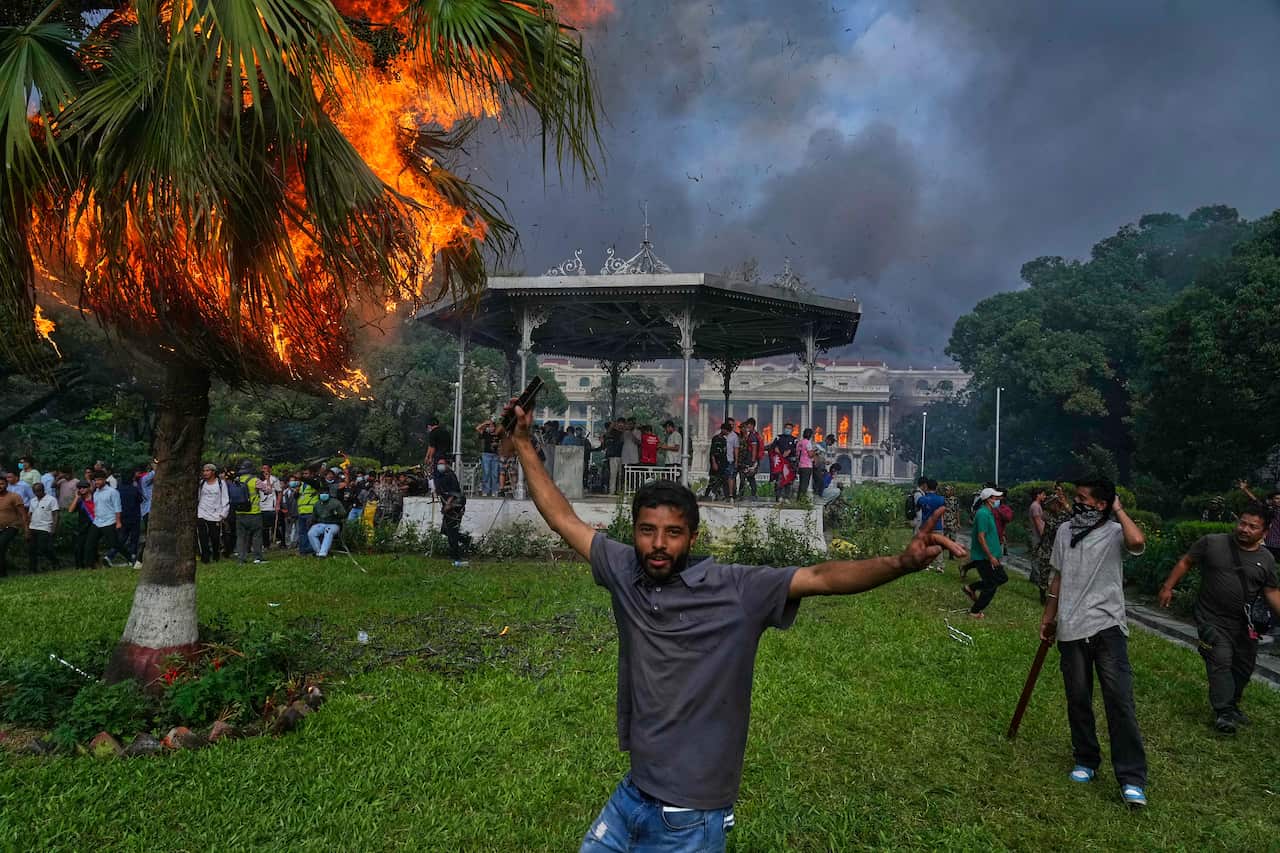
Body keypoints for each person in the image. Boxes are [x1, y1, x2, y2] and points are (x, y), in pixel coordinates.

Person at [498, 399, 961, 851]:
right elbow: (562, 518)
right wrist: (522, 444)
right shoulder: (624, 571)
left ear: (692, 537)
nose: (659, 544)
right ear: (633, 531)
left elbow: (821, 577)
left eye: (673, 533)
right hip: (633, 794)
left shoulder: (737, 589)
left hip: (692, 816)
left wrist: (901, 562)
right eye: (647, 531)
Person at [1039, 479, 1148, 808]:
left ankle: (1131, 778)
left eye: (1083, 498)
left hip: (1107, 625)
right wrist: (1048, 616)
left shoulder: (1115, 532)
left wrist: (1117, 508)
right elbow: (1057, 576)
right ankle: (1086, 759)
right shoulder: (1065, 531)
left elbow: (1138, 542)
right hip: (1071, 626)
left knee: (1119, 701)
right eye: (1076, 497)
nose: (1076, 503)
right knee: (1078, 697)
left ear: (1101, 504)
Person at [1158, 502, 1280, 733]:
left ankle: (1232, 705)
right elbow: (1186, 561)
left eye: (1252, 526)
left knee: (1244, 666)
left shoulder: (1266, 559)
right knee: (1220, 659)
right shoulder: (1212, 542)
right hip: (1211, 618)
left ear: (1264, 533)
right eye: (1242, 523)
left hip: (1245, 624)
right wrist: (1167, 587)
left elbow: (1271, 591)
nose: (1244, 529)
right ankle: (1223, 711)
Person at [962, 487, 1006, 618]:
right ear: (987, 500)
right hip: (984, 557)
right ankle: (975, 610)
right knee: (991, 585)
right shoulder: (982, 514)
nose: (997, 500)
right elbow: (981, 537)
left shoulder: (989, 513)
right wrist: (990, 556)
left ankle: (971, 588)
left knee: (1001, 578)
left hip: (990, 556)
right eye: (994, 497)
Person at [433, 456, 468, 566]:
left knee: (452, 531)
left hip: (454, 507)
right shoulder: (439, 476)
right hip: (446, 506)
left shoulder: (451, 475)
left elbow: (454, 492)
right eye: (439, 463)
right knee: (445, 530)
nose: (440, 465)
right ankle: (466, 540)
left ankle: (456, 556)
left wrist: (448, 504)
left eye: (442, 463)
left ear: (447, 465)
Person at [106, 470, 143, 568]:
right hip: (134, 517)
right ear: (132, 479)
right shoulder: (134, 489)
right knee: (134, 538)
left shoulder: (118, 490)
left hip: (122, 517)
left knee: (121, 538)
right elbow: (140, 500)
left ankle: (110, 555)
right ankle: (132, 557)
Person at [85, 471, 121, 569]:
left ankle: (131, 559)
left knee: (115, 543)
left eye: (99, 480)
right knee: (89, 543)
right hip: (97, 521)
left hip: (109, 521)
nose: (97, 482)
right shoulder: (96, 493)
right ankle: (90, 565)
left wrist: (118, 522)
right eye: (95, 480)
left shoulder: (112, 492)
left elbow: (117, 508)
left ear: (105, 480)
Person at [231, 461, 266, 565]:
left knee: (241, 536)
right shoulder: (255, 480)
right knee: (257, 535)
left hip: (239, 513)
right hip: (254, 513)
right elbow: (267, 491)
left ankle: (241, 559)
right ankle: (258, 557)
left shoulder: (236, 481)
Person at [1237, 481, 1280, 561]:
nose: (1278, 500)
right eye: (1277, 498)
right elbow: (1256, 501)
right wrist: (1245, 490)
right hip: (1270, 543)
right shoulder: (1269, 510)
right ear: (1273, 500)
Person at [196, 463, 229, 563]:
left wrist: (223, 513)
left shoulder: (221, 483)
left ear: (213, 472)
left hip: (215, 514)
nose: (205, 473)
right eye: (204, 471)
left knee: (215, 537)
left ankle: (215, 555)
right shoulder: (201, 483)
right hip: (202, 512)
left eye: (207, 470)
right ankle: (205, 557)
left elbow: (225, 498)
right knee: (203, 536)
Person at [26, 482, 59, 573]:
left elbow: (56, 514)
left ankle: (55, 561)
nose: (37, 493)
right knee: (31, 550)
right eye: (35, 491)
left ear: (43, 490)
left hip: (45, 527)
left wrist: (54, 528)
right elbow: (30, 514)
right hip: (33, 527)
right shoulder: (33, 500)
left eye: (39, 490)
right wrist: (27, 529)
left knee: (43, 548)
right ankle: (32, 570)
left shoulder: (51, 499)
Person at [915, 479, 947, 572]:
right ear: (936, 487)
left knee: (926, 545)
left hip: (926, 526)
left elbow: (917, 509)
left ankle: (926, 565)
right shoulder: (941, 499)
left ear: (927, 487)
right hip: (938, 526)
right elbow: (943, 513)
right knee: (938, 545)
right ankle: (939, 565)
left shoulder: (922, 499)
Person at [0, 476, 30, 577]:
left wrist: (26, 530)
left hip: (11, 527)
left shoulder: (14, 496)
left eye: (2, 484)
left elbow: (23, 514)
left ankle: (3, 574)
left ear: (6, 485)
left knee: (1, 546)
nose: (0, 486)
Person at [304, 489, 344, 558]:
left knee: (328, 531)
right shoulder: (317, 504)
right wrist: (311, 522)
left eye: (325, 493)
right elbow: (314, 516)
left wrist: (336, 513)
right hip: (321, 523)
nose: (324, 495)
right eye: (322, 493)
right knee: (311, 533)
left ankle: (323, 554)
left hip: (334, 524)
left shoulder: (335, 503)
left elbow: (343, 514)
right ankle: (318, 551)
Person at [258, 464, 283, 548]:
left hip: (271, 506)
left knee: (273, 524)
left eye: (266, 468)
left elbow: (279, 492)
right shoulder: (258, 480)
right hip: (261, 505)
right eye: (263, 468)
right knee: (263, 527)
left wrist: (278, 504)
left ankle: (280, 540)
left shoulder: (274, 479)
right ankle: (266, 544)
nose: (264, 470)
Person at [708, 422, 731, 501]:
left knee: (723, 479)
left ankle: (725, 496)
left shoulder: (724, 440)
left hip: (723, 463)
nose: (727, 432)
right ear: (723, 429)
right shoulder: (715, 438)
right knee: (713, 480)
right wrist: (714, 463)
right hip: (716, 463)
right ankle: (708, 495)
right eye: (727, 430)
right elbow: (712, 452)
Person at [477, 418, 501, 497]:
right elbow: (477, 428)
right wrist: (485, 423)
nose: (491, 428)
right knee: (486, 473)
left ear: (495, 427)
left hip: (495, 455)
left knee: (495, 473)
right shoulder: (485, 433)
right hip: (486, 455)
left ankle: (495, 490)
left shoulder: (498, 434)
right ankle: (486, 490)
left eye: (492, 427)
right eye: (489, 427)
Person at [604, 419, 625, 495]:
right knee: (613, 474)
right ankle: (612, 491)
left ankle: (619, 490)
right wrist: (611, 426)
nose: (620, 425)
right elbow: (606, 435)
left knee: (620, 475)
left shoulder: (624, 433)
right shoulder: (612, 432)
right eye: (619, 424)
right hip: (613, 456)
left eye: (622, 424)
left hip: (622, 455)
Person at [796, 428, 816, 498]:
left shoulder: (799, 442)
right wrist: (815, 451)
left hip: (800, 465)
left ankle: (799, 498)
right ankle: (801, 500)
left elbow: (798, 454)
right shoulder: (808, 443)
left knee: (801, 484)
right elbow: (810, 455)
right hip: (807, 466)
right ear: (810, 435)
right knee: (805, 484)